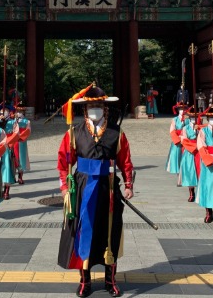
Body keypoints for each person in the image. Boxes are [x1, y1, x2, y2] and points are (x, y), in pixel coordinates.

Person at [56, 83, 133, 298]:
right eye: (91, 106)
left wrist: (128, 185)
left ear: (105, 108)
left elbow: (125, 161)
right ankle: (85, 281)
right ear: (84, 109)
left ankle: (110, 280)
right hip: (82, 186)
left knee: (110, 232)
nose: (95, 109)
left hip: (108, 187)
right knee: (84, 233)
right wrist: (65, 187)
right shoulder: (74, 132)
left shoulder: (116, 132)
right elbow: (63, 161)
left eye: (99, 105)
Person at [179, 108, 205, 202]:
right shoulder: (185, 128)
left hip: (200, 151)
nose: (193, 119)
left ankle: (200, 192)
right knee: (190, 172)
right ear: (189, 118)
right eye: (192, 117)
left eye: (195, 117)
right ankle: (191, 192)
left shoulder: (201, 128)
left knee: (201, 171)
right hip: (190, 152)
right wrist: (194, 146)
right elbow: (184, 140)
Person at [0, 103, 19, 199]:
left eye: (5, 111)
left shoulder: (13, 122)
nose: (4, 112)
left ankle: (6, 190)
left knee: (6, 169)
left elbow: (16, 134)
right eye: (2, 111)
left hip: (7, 148)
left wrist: (8, 143)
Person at [166, 103, 188, 176]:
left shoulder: (187, 120)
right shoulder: (174, 119)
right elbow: (172, 131)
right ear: (178, 110)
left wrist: (185, 138)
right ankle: (178, 172)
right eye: (180, 109)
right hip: (177, 141)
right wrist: (177, 140)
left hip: (186, 140)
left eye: (183, 109)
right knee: (176, 155)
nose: (182, 111)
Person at [14, 103, 32, 184]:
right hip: (14, 142)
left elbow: (28, 131)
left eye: (21, 112)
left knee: (21, 159)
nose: (19, 113)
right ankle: (12, 175)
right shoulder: (13, 121)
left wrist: (21, 136)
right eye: (18, 111)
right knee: (13, 159)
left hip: (21, 142)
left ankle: (20, 176)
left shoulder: (27, 122)